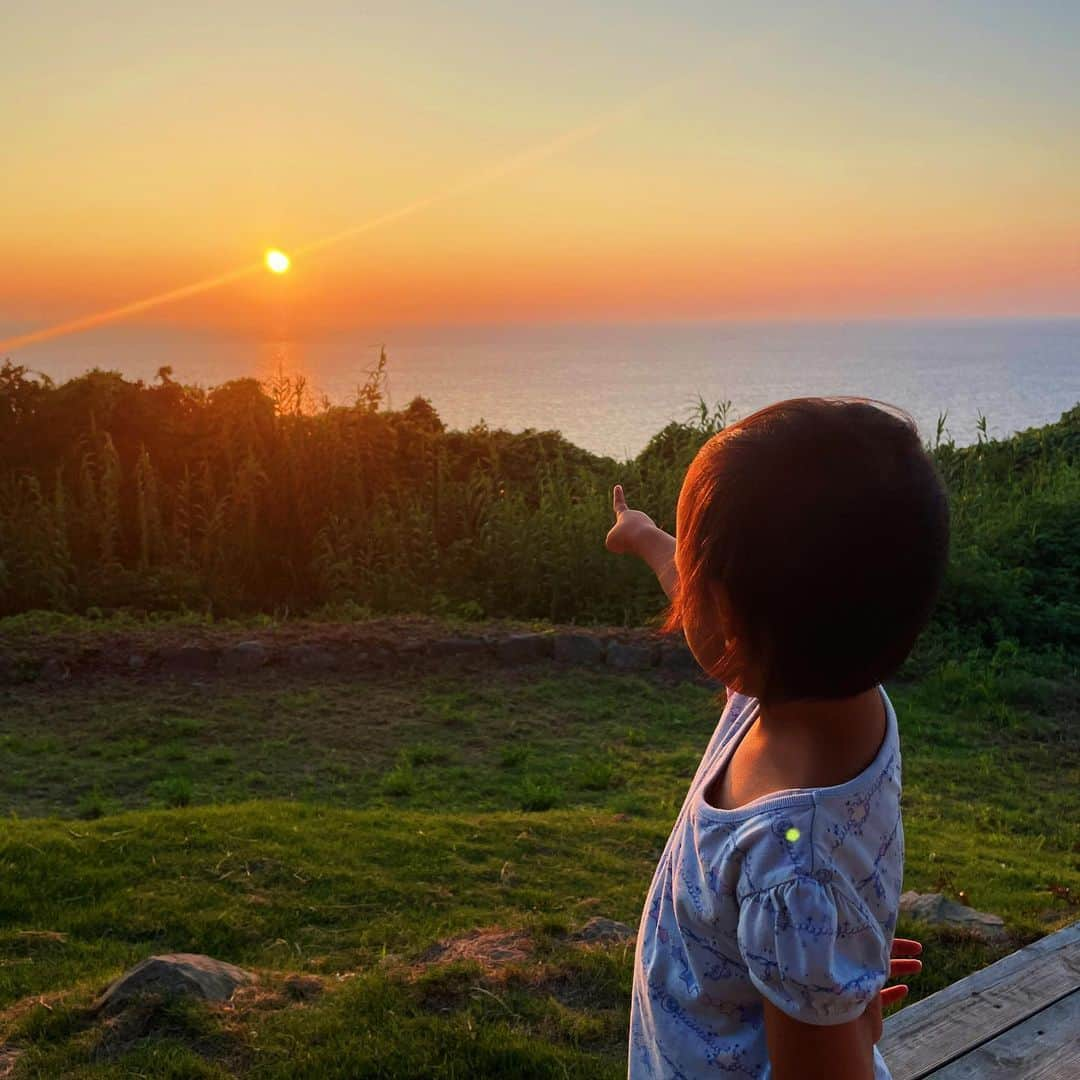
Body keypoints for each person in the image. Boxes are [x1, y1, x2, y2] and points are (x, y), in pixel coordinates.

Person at [606, 398, 948, 1079]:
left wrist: (850, 1016)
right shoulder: (829, 692)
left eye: (692, 587)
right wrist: (645, 535)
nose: (680, 599)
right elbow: (714, 589)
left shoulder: (792, 869)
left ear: (731, 621)